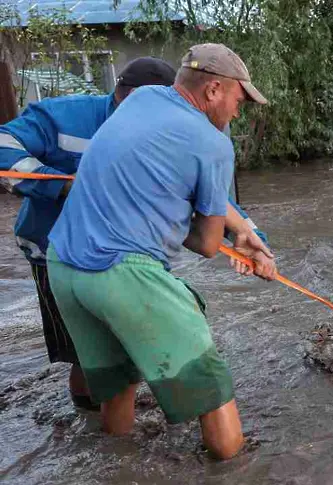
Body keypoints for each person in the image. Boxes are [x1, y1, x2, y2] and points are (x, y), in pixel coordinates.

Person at [46, 43, 275, 460]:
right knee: (211, 389)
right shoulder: (214, 143)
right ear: (212, 90)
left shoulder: (143, 98)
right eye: (238, 100)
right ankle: (237, 467)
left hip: (63, 267)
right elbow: (207, 244)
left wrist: (241, 230)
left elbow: (150, 172)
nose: (239, 111)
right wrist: (217, 234)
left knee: (118, 387)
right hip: (123, 273)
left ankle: (122, 466)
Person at [0, 56, 178, 410]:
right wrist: (64, 186)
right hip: (54, 252)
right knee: (85, 351)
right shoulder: (64, 117)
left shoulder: (166, 131)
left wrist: (248, 237)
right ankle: (91, 422)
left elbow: (203, 196)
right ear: (125, 97)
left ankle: (112, 418)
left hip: (128, 256)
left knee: (133, 342)